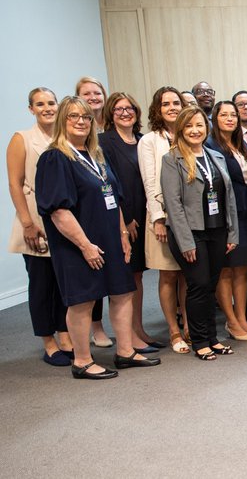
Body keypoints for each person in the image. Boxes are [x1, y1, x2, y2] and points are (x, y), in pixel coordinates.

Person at [36, 96, 161, 378]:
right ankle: (81, 361)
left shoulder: (96, 155)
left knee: (123, 292)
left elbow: (113, 198)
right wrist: (85, 245)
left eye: (85, 117)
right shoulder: (55, 158)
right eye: (72, 117)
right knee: (83, 301)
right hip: (77, 245)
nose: (81, 122)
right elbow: (58, 211)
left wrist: (122, 236)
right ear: (61, 121)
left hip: (110, 240)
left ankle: (125, 352)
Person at [162, 106, 238, 360]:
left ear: (206, 129)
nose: (195, 130)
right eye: (188, 126)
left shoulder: (215, 156)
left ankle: (213, 338)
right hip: (191, 234)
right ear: (180, 130)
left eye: (199, 125)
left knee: (211, 286)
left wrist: (232, 233)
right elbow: (173, 204)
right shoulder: (172, 159)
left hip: (217, 230)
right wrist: (185, 242)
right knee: (199, 285)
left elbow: (229, 199)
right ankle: (199, 340)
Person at [8, 87, 73, 365]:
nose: (47, 108)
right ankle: (48, 341)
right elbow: (14, 182)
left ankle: (66, 334)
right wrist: (27, 223)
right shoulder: (22, 139)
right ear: (31, 108)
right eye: (40, 104)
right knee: (42, 284)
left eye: (51, 103)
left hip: (65, 219)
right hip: (35, 219)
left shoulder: (65, 137)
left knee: (63, 282)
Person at [98, 93, 160, 351]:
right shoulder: (104, 142)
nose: (125, 113)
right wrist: (127, 219)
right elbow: (110, 183)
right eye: (119, 109)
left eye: (129, 108)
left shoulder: (143, 141)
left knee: (137, 276)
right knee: (125, 277)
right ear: (111, 114)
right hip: (124, 219)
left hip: (145, 215)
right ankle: (128, 336)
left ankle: (138, 329)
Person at [137, 86, 188, 353]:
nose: (172, 108)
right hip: (163, 216)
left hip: (188, 216)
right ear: (157, 109)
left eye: (176, 103)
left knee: (188, 275)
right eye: (166, 104)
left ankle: (189, 325)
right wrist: (157, 218)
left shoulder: (188, 135)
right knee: (169, 274)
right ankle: (174, 330)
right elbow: (149, 181)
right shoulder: (149, 141)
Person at [207, 101, 247, 340]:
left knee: (242, 269)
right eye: (224, 115)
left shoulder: (240, 144)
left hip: (245, 213)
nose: (230, 118)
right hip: (226, 215)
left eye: (233, 115)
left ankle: (242, 319)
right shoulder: (210, 146)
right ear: (215, 119)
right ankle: (230, 321)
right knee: (226, 271)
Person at [75, 77, 113, 344]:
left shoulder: (112, 124)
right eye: (86, 93)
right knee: (92, 275)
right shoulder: (77, 130)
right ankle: (96, 327)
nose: (93, 97)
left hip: (112, 204)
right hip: (87, 211)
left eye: (97, 92)